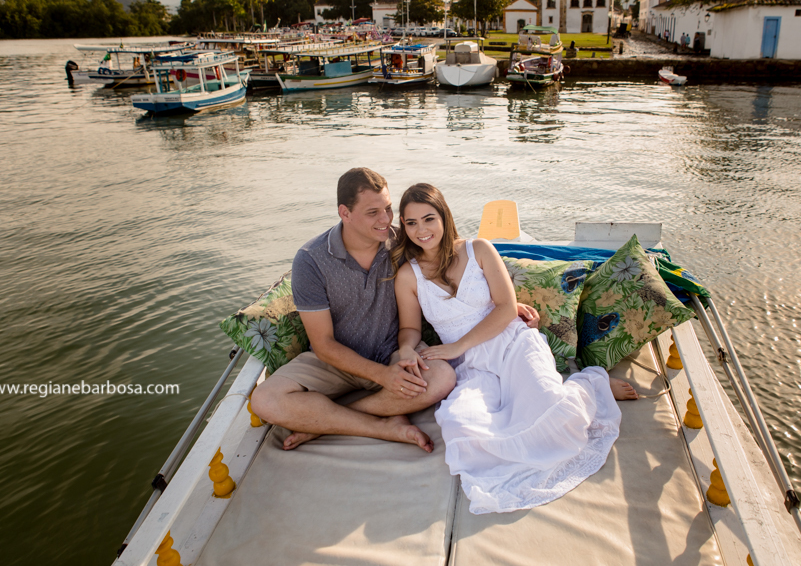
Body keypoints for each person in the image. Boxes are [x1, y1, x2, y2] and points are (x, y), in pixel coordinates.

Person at [252, 168, 540, 452]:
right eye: (372, 212)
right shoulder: (311, 260)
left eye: (388, 209)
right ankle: (380, 426)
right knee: (265, 400)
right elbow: (323, 344)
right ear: (345, 213)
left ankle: (321, 420)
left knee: (442, 377)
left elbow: (448, 256)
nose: (385, 220)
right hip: (335, 361)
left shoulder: (402, 241)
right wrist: (381, 377)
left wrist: (503, 303)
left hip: (394, 353)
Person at [393, 183, 637, 514]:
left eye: (429, 219)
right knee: (461, 425)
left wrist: (456, 346)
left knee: (554, 413)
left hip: (512, 343)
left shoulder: (478, 249)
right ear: (403, 227)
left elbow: (507, 308)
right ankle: (568, 385)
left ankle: (588, 386)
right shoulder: (409, 275)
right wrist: (406, 349)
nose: (422, 230)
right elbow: (409, 328)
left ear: (444, 217)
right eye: (411, 223)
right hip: (470, 366)